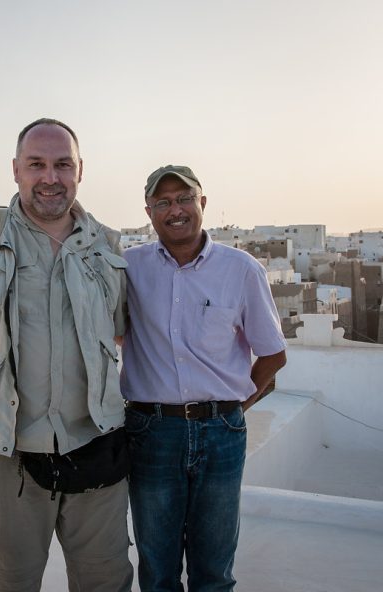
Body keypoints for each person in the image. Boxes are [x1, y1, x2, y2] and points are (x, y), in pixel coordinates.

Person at [0, 118, 134, 591]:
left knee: (107, 584)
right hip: (5, 456)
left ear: (81, 171)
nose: (50, 177)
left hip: (96, 450)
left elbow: (127, 339)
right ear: (16, 170)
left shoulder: (107, 246)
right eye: (37, 165)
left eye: (62, 165)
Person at [120, 165, 287, 591]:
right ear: (148, 211)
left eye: (183, 198)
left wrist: (232, 408)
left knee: (213, 571)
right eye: (162, 202)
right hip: (151, 432)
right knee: (157, 572)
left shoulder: (241, 269)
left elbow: (273, 354)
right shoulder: (128, 267)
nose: (174, 210)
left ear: (202, 203)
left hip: (221, 432)